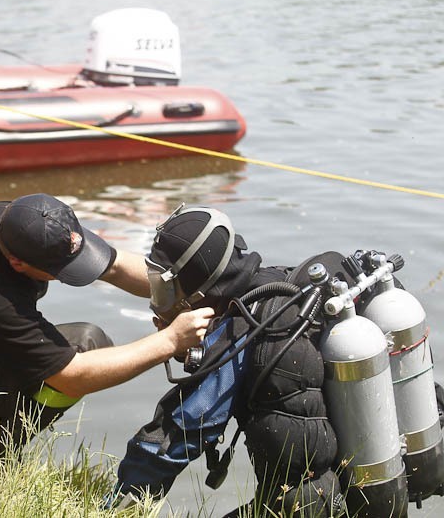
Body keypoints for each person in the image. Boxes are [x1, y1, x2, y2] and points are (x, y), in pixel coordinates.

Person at [0, 193, 213, 453]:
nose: (72, 272)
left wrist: (195, 297)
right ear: (18, 264)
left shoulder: (27, 220)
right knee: (87, 344)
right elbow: (71, 377)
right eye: (60, 270)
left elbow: (115, 266)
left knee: (82, 344)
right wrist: (170, 340)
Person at [110, 205, 349, 516]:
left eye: (166, 289)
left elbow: (169, 440)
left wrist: (113, 508)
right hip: (356, 487)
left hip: (306, 506)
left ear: (200, 291)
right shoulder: (279, 289)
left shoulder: (245, 331)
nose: (158, 303)